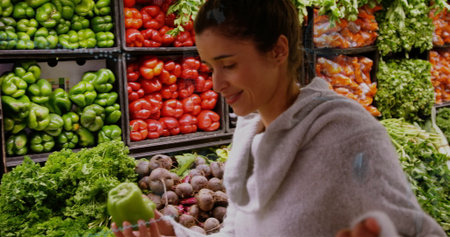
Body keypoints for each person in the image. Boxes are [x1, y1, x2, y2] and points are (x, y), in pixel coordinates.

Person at [112, 0, 447, 236]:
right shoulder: (249, 133)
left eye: (228, 64)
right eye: (210, 67)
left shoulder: (346, 134)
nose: (215, 84)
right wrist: (172, 235)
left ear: (277, 50)